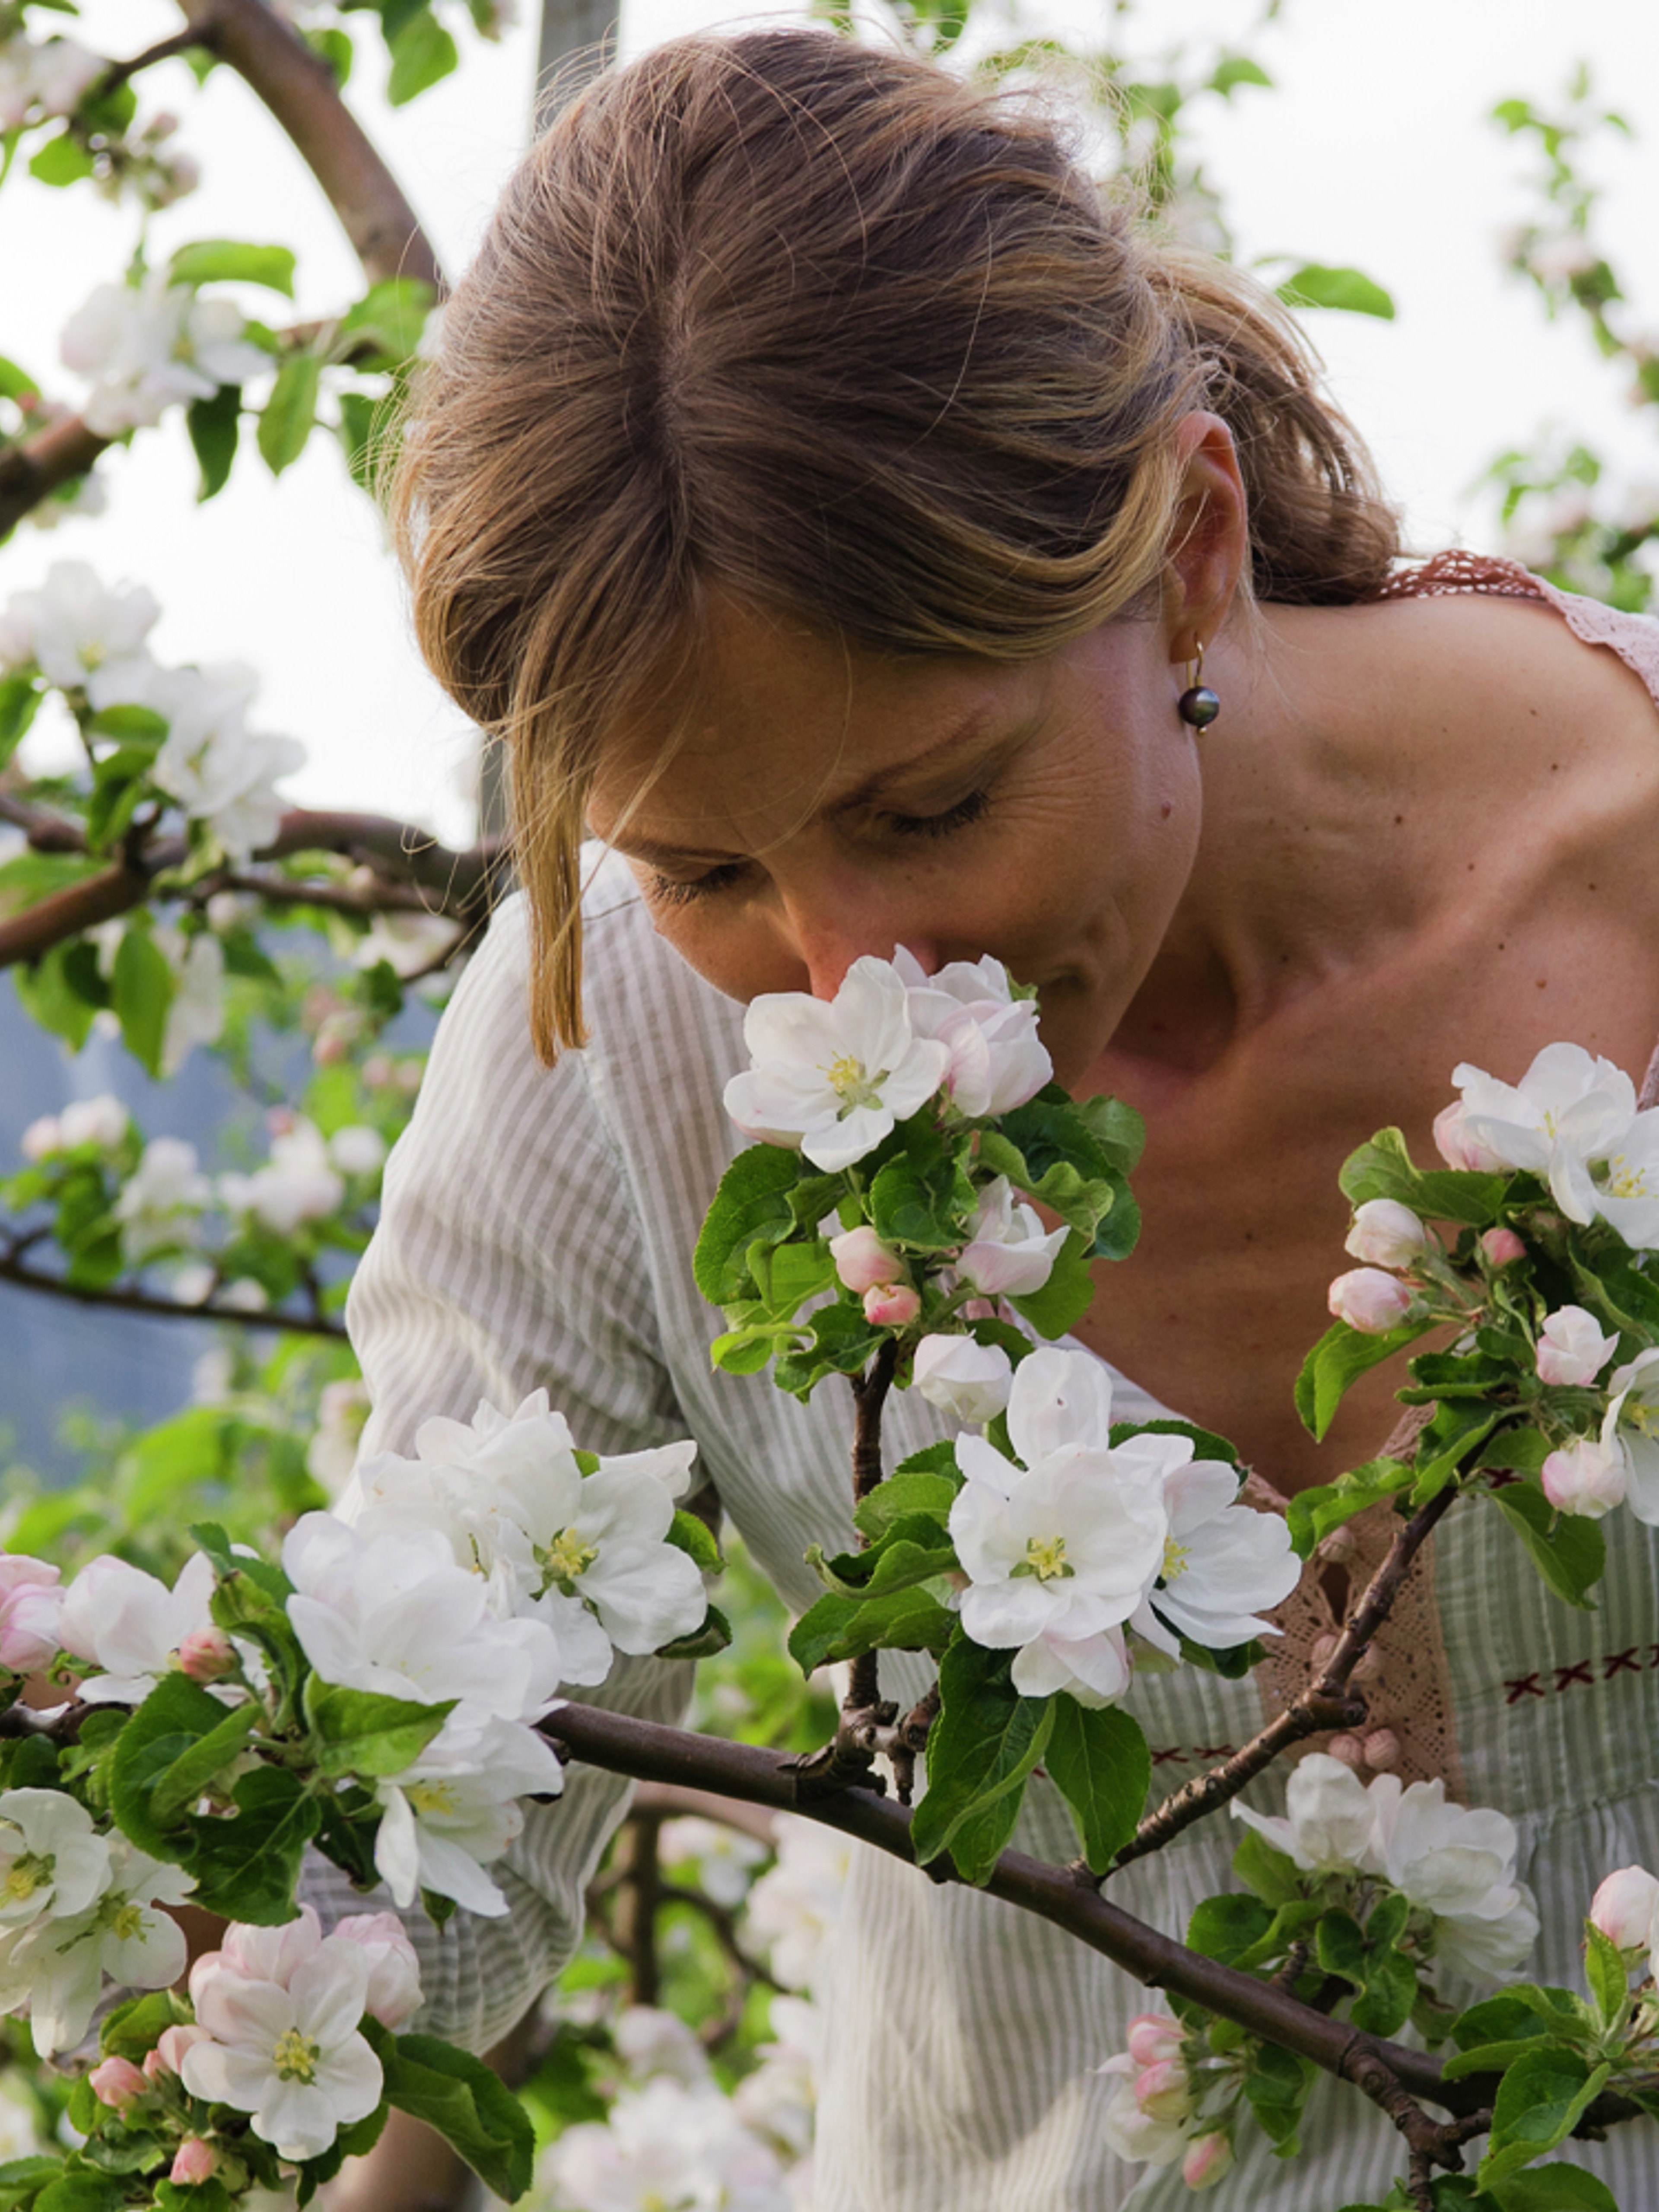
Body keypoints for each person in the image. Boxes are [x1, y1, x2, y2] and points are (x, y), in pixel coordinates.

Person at [325, 29, 1659, 2207]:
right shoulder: (619, 1068)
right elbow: (427, 1920)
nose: (856, 985)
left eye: (927, 802)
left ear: (1194, 548)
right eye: (708, 867)